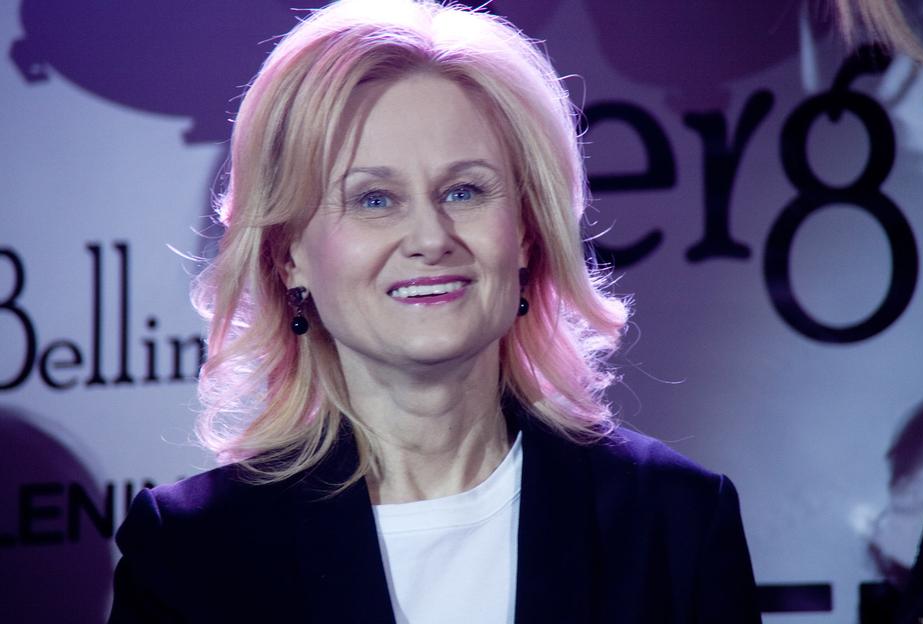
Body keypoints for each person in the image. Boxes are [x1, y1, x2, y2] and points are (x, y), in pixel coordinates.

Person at [108, 0, 761, 622]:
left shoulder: (673, 520)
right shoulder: (192, 553)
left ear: (526, 233)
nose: (430, 238)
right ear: (288, 257)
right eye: (374, 200)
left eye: (464, 191)